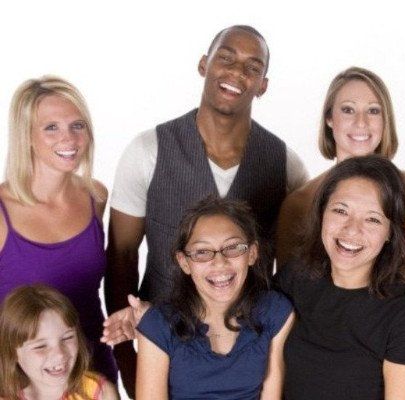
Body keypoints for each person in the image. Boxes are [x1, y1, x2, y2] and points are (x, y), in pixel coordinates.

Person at [105, 25, 307, 395]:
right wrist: (128, 361)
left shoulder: (286, 165)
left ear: (263, 85)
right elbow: (121, 255)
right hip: (163, 358)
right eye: (225, 58)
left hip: (248, 363)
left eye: (252, 67)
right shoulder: (147, 151)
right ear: (204, 65)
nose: (236, 72)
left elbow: (293, 269)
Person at [276, 155, 405, 400]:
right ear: (322, 213)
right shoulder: (294, 279)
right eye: (341, 211)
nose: (351, 229)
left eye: (372, 219)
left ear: (390, 232)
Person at [0, 76, 117, 383]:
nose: (69, 139)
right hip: (21, 381)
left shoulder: (96, 196)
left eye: (77, 125)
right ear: (26, 135)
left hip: (93, 371)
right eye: (51, 127)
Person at [135, 197, 294, 399]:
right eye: (202, 252)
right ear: (184, 262)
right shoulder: (158, 324)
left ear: (252, 253)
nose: (220, 262)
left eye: (233, 247)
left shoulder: (274, 311)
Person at [275, 67, 405, 267]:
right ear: (329, 118)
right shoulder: (299, 202)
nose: (361, 122)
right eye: (348, 110)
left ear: (385, 121)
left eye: (373, 111)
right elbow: (287, 281)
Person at [0, 284, 119, 400]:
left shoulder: (101, 393)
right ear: (12, 352)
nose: (60, 354)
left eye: (67, 338)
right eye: (40, 346)